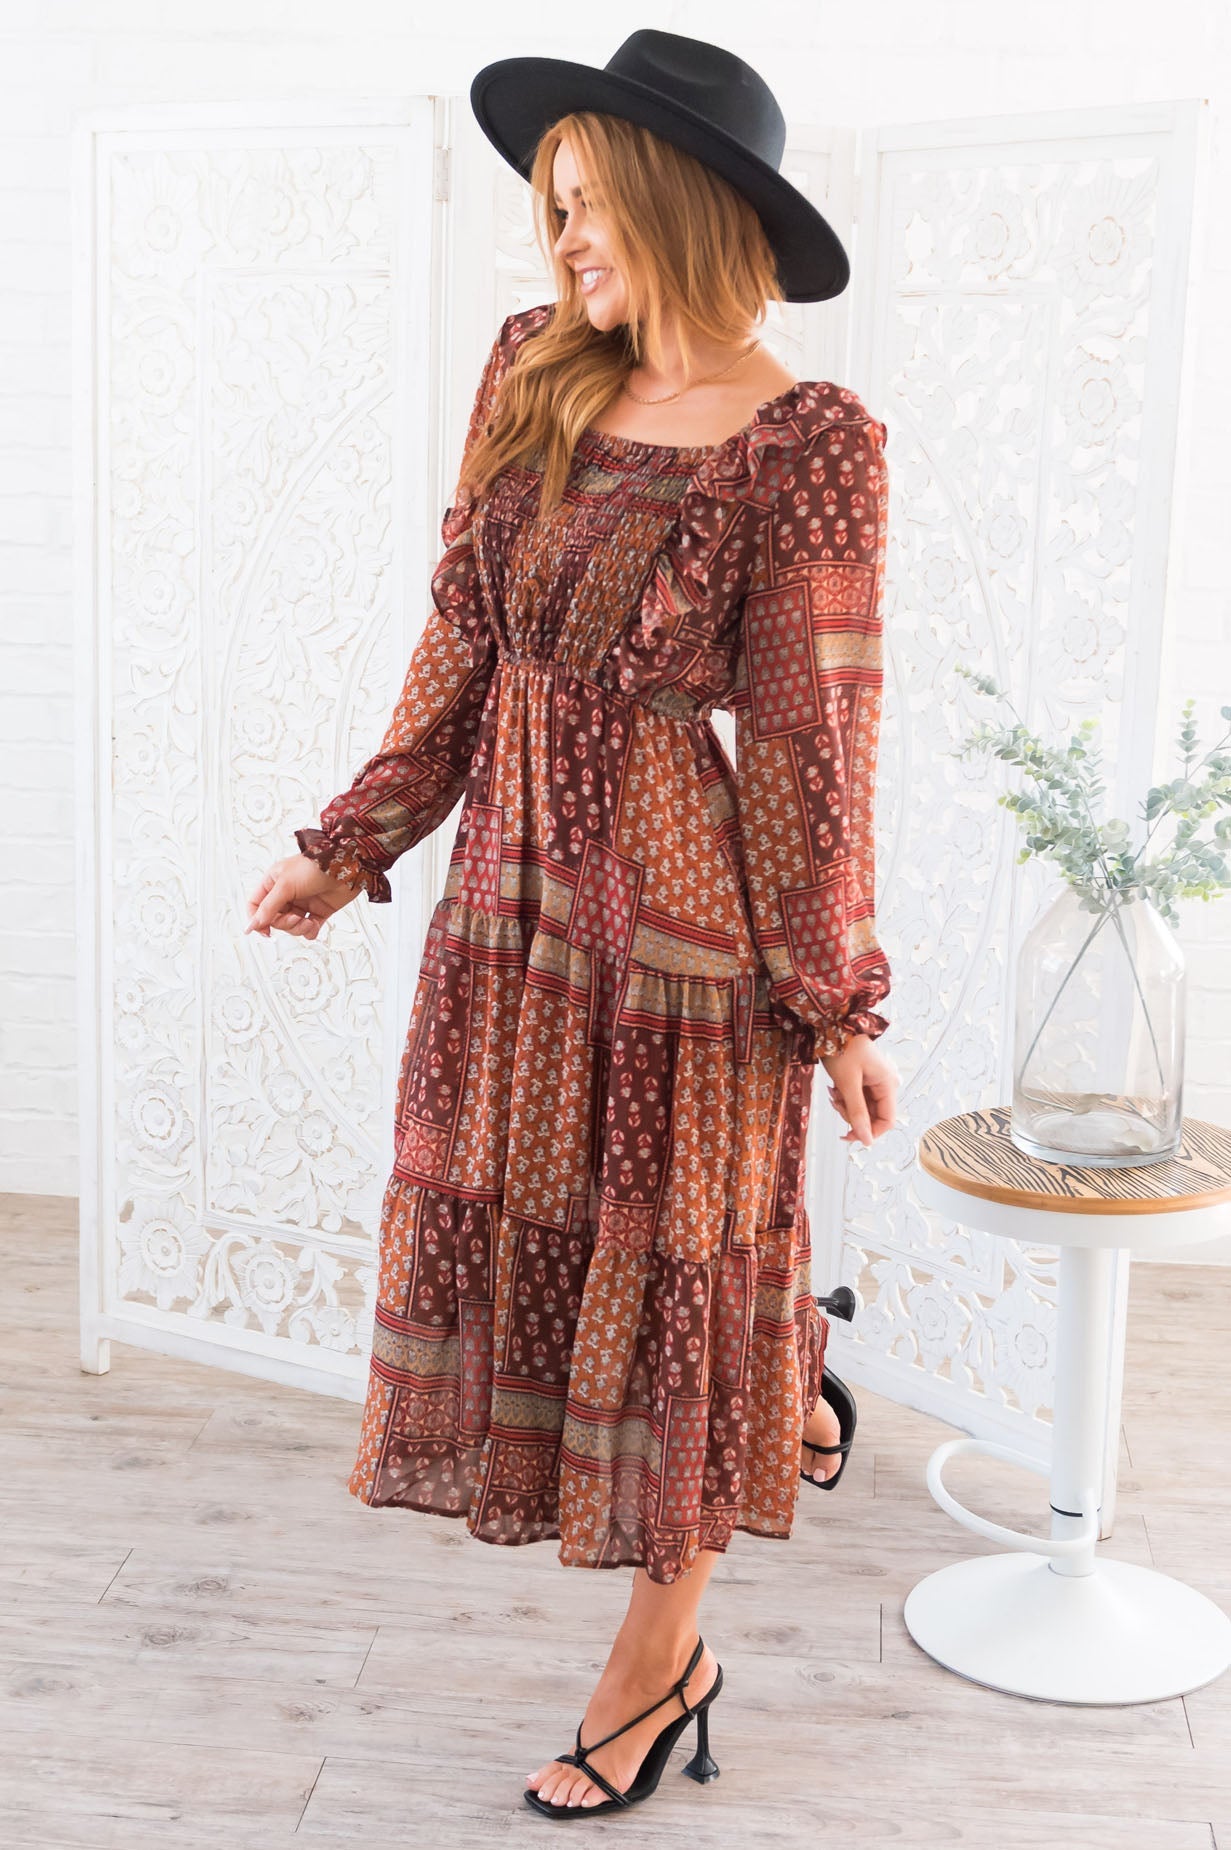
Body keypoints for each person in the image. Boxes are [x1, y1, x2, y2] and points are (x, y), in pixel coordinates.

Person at [245, 28, 898, 1820]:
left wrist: (839, 1001)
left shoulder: (808, 442)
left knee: (676, 1292)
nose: (564, 237)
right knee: (565, 1258)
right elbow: (464, 636)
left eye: (595, 204)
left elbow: (814, 743)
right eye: (555, 205)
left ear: (688, 205)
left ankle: (658, 1666)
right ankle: (792, 1364)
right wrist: (355, 840)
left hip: (687, 945)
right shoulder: (532, 366)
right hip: (513, 921)